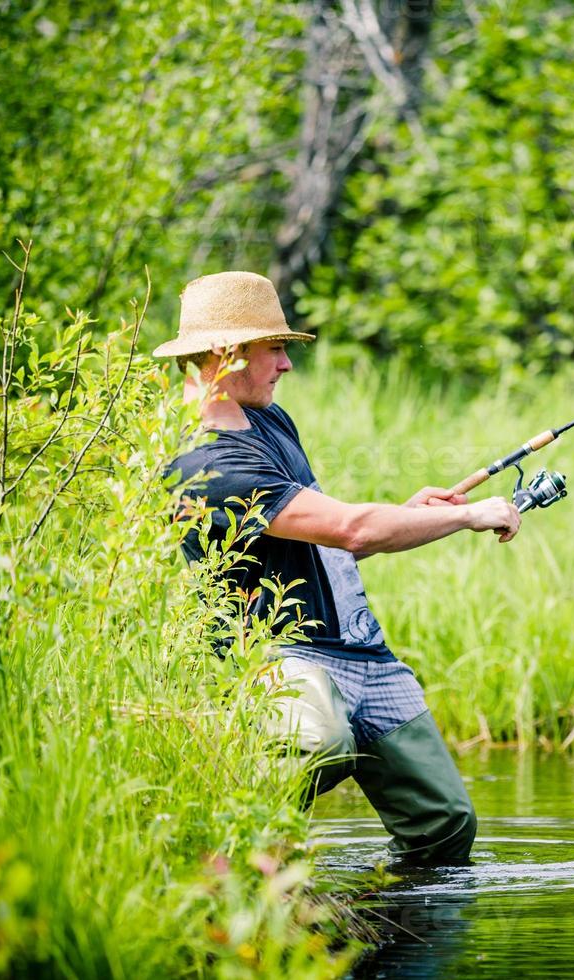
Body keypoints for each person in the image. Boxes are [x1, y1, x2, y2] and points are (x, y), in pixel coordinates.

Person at [154, 270, 520, 865]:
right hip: (283, 655)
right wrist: (469, 515)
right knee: (320, 741)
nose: (286, 364)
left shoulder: (270, 420)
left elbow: (330, 537)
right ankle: (241, 855)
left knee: (446, 827)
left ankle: (389, 930)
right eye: (275, 348)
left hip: (363, 652)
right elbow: (351, 527)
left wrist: (410, 517)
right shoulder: (203, 464)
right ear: (226, 354)